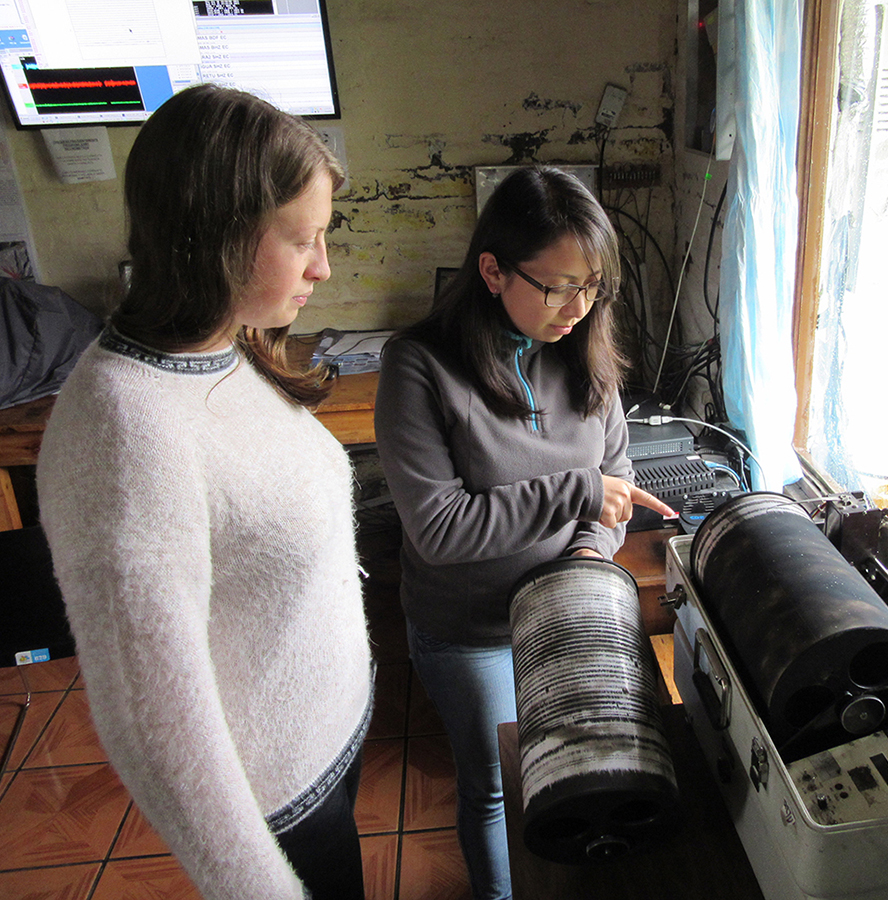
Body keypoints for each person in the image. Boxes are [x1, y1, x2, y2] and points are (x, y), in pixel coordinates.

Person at [36, 84, 374, 900]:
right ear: (220, 238)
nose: (322, 267)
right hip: (279, 816)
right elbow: (154, 730)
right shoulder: (127, 429)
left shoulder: (228, 347)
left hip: (328, 755)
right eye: (303, 240)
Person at [373, 165, 675, 899]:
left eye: (593, 285)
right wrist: (576, 492)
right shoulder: (419, 366)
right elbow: (441, 529)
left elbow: (615, 481)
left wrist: (584, 553)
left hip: (565, 610)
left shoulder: (584, 349)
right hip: (471, 626)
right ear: (492, 270)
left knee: (590, 776)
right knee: (499, 784)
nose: (579, 306)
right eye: (558, 285)